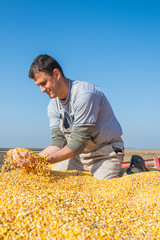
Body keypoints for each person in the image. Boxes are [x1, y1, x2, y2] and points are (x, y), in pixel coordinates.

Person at [27, 54, 124, 180]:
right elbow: (58, 142)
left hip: (106, 153)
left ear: (56, 74)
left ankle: (132, 171)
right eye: (38, 85)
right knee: (51, 178)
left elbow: (78, 143)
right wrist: (32, 159)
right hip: (79, 157)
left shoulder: (85, 94)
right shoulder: (53, 105)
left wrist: (41, 161)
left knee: (102, 190)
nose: (41, 90)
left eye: (44, 83)